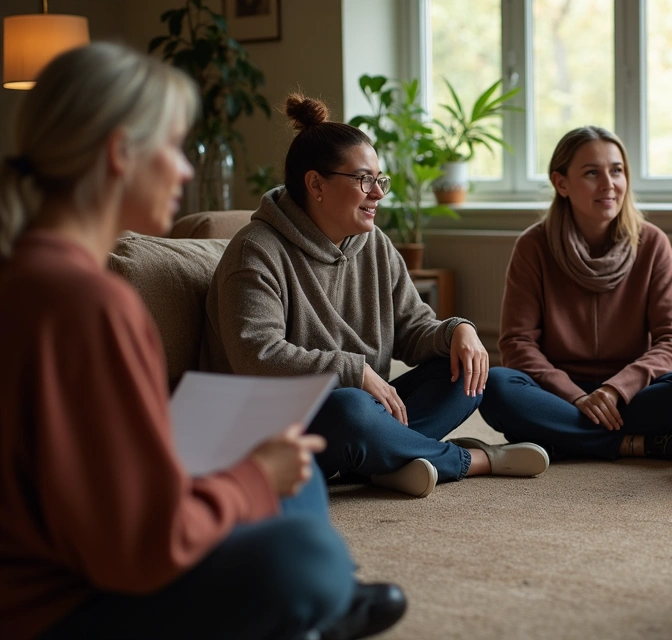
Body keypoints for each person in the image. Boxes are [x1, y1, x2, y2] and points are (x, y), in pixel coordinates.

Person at [0, 43, 404, 640]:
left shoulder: (28, 276)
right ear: (119, 154)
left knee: (296, 469)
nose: (186, 171)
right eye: (172, 148)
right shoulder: (91, 303)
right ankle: (327, 599)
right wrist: (250, 481)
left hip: (74, 555)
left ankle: (324, 609)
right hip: (62, 608)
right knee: (303, 555)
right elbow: (142, 549)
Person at [202, 95, 549, 498]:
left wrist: (459, 332)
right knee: (350, 409)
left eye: (380, 180)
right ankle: (471, 459)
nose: (378, 193)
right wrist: (355, 371)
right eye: (364, 180)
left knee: (464, 375)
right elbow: (256, 355)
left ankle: (379, 458)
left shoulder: (375, 245)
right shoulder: (256, 251)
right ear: (316, 184)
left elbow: (413, 327)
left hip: (366, 413)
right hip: (279, 427)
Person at [478, 126, 672, 462]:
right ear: (561, 183)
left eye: (616, 171)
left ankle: (562, 438)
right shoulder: (533, 246)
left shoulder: (652, 243)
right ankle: (631, 444)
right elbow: (517, 344)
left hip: (629, 393)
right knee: (495, 387)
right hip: (557, 393)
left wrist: (615, 390)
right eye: (592, 173)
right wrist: (576, 397)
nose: (609, 185)